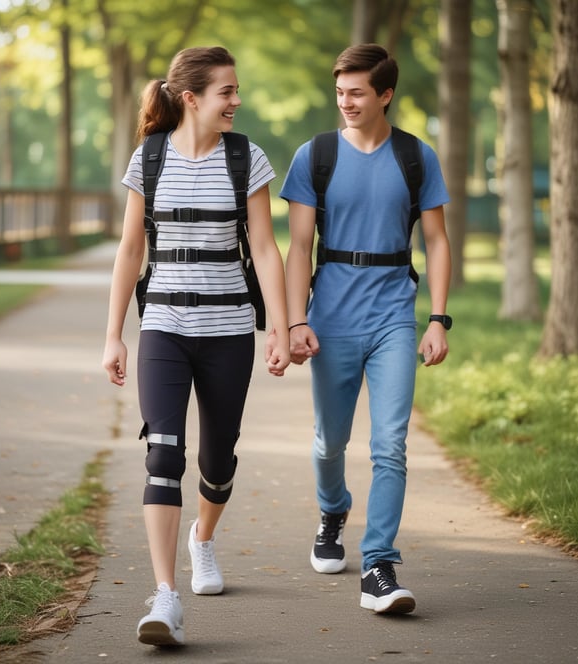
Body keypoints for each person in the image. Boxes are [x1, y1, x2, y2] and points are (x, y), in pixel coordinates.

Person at [102, 46, 290, 647]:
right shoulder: (149, 159)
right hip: (163, 329)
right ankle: (165, 597)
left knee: (217, 460)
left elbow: (264, 248)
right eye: (227, 92)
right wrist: (114, 336)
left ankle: (202, 540)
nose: (237, 101)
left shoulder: (246, 158)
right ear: (191, 98)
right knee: (163, 456)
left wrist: (280, 330)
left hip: (229, 331)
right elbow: (131, 252)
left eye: (236, 91)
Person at [280, 43, 451, 615]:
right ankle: (333, 510)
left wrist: (438, 319)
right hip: (329, 319)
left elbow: (437, 241)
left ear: (385, 94)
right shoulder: (316, 155)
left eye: (357, 92)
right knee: (331, 441)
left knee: (390, 445)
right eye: (339, 92)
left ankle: (379, 564)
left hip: (393, 319)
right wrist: (296, 320)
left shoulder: (416, 158)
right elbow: (299, 245)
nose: (346, 102)